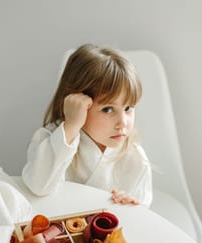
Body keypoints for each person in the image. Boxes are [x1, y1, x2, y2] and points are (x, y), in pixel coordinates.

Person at [22, 43, 152, 207]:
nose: (123, 123)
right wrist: (71, 125)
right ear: (78, 104)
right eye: (107, 109)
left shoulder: (135, 159)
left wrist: (130, 205)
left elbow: (143, 213)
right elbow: (38, 187)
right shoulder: (51, 141)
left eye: (128, 108)